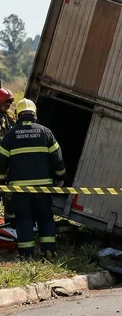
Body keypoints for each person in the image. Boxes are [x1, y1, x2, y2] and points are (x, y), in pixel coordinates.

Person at [0, 99, 66, 259]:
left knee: (24, 219)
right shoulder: (45, 132)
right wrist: (60, 176)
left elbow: (1, 162)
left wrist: (2, 181)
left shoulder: (10, 135)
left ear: (18, 114)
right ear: (34, 113)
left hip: (20, 189)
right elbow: (57, 157)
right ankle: (49, 250)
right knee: (45, 217)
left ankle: (26, 254)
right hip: (43, 188)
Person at [0, 87, 16, 227]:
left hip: (8, 164)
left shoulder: (10, 116)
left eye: (9, 104)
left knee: (9, 197)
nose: (8, 106)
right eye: (5, 104)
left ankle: (10, 226)